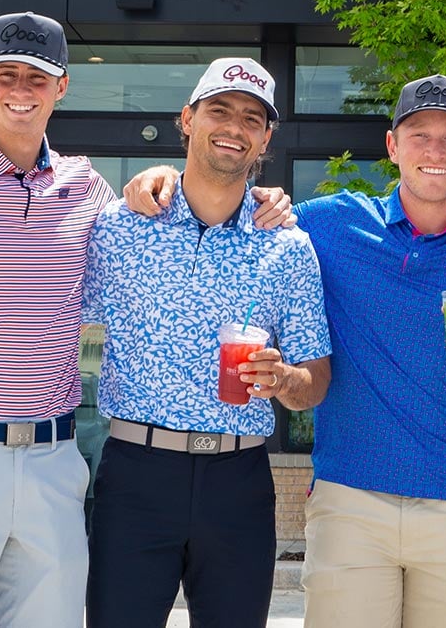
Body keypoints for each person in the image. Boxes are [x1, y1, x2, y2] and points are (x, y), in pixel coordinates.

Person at [125, 70, 446, 628]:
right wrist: (163, 180)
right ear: (393, 147)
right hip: (351, 499)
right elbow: (229, 201)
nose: (435, 150)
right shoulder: (332, 224)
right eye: (419, 134)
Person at [82, 56, 331, 628]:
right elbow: (51, 314)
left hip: (238, 481)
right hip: (136, 474)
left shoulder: (288, 246)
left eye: (251, 118)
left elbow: (314, 381)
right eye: (219, 110)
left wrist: (286, 380)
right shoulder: (120, 227)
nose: (234, 127)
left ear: (266, 137)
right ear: (187, 119)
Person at [0, 11, 116, 628]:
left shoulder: (85, 183)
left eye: (38, 77)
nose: (21, 89)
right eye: (7, 74)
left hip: (53, 456)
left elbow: (139, 249)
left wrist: (161, 181)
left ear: (61, 87)